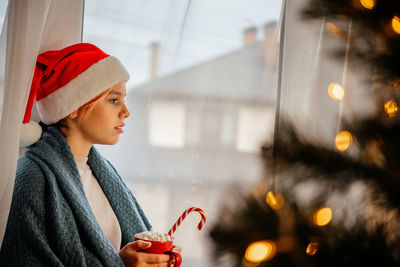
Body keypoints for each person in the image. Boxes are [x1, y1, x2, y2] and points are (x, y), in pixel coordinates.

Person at [0, 43, 178, 266]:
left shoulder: (105, 172)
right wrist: (120, 263)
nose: (126, 112)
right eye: (114, 100)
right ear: (74, 105)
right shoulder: (32, 178)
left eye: (124, 99)